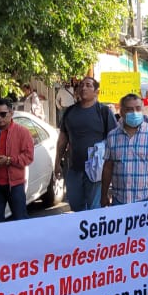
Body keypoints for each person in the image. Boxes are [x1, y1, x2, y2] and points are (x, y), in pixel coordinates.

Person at [55, 77, 116, 212]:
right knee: (76, 206)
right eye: (81, 85)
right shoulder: (69, 112)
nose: (83, 88)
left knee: (95, 209)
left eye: (88, 85)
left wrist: (112, 167)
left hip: (97, 170)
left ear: (96, 92)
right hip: (74, 169)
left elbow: (114, 140)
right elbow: (62, 140)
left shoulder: (104, 112)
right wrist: (57, 163)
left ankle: (94, 232)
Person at [101, 93, 148, 207]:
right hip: (119, 201)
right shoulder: (112, 136)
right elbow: (108, 167)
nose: (134, 112)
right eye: (129, 109)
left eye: (138, 108)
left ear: (143, 109)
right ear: (122, 112)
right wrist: (103, 194)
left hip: (146, 201)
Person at [0, 98, 35, 223]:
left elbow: (29, 157)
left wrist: (9, 160)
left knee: (21, 220)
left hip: (15, 185)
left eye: (3, 114)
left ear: (11, 113)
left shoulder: (22, 132)